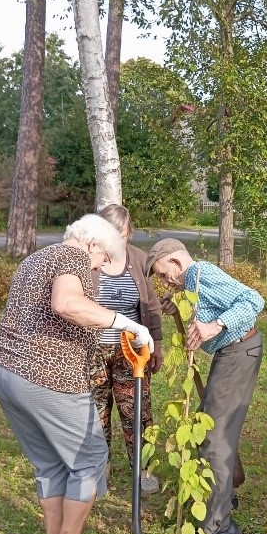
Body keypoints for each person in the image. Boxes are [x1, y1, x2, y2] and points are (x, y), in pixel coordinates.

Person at [0, 214, 154, 534]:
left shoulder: (37, 257)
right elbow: (66, 304)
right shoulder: (73, 257)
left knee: (51, 463)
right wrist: (125, 322)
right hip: (46, 376)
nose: (101, 267)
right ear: (93, 244)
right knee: (90, 459)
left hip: (4, 369)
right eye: (103, 259)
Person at [145, 238, 264, 534]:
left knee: (213, 439)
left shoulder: (200, 272)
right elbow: (209, 305)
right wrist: (178, 306)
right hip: (234, 353)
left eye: (165, 274)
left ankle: (218, 527)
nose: (166, 281)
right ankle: (222, 500)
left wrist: (216, 324)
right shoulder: (193, 283)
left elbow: (253, 299)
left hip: (239, 353)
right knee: (210, 428)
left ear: (176, 262)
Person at [91, 205, 163, 493]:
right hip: (92, 348)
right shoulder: (88, 259)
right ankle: (100, 468)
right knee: (95, 411)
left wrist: (155, 345)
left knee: (138, 410)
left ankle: (143, 469)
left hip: (131, 349)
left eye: (121, 234)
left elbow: (151, 304)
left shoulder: (138, 258)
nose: (116, 241)